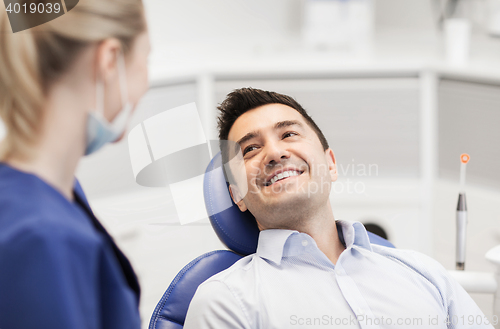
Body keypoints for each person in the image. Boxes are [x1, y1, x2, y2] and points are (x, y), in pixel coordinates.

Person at [184, 88, 493, 329]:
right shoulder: (223, 302)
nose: (275, 153)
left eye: (288, 134)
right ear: (237, 195)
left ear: (330, 163)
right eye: (251, 149)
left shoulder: (422, 272)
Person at [0, 1, 150, 328]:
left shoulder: (49, 198)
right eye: (146, 56)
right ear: (110, 59)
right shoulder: (42, 238)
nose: (147, 82)